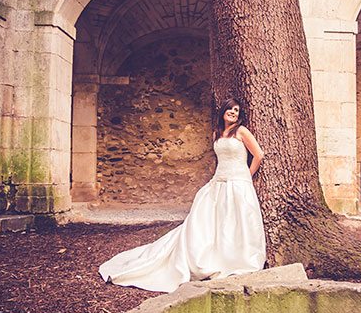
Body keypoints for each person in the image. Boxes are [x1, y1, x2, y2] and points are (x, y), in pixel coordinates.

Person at [98, 99, 267, 292]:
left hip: (238, 183)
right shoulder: (217, 134)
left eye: (237, 110)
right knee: (211, 221)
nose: (233, 112)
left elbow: (258, 155)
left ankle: (236, 259)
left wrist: (245, 176)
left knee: (237, 220)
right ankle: (208, 256)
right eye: (230, 109)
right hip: (218, 182)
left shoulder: (241, 131)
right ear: (223, 111)